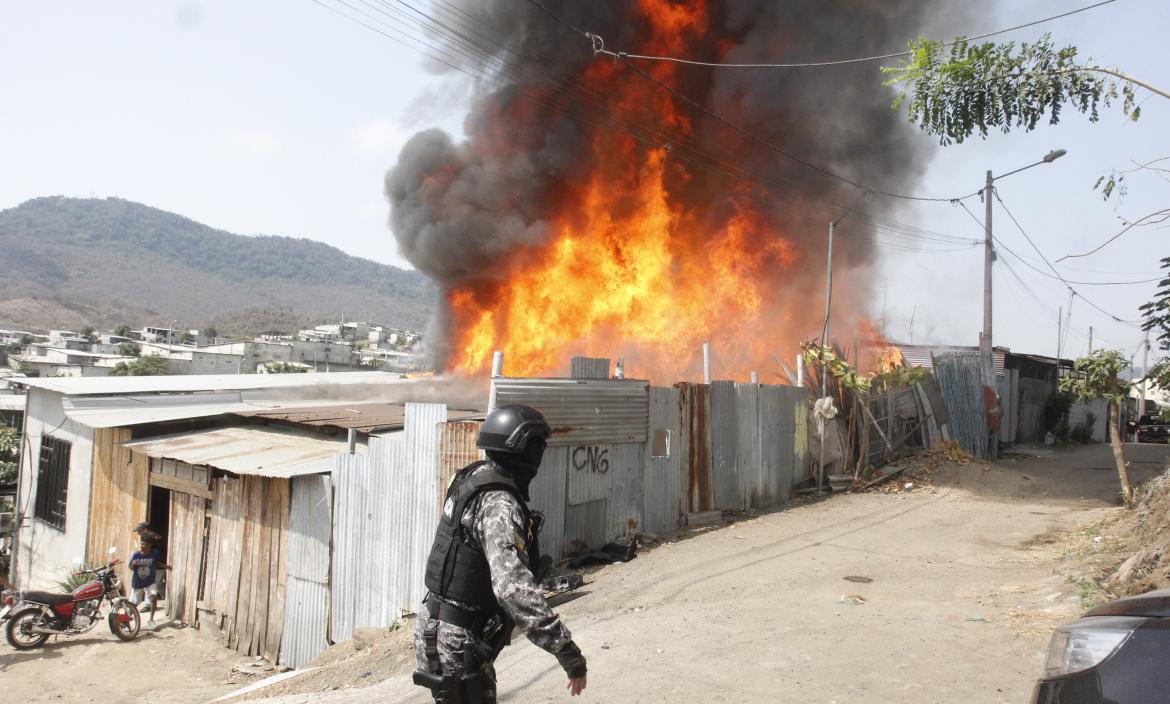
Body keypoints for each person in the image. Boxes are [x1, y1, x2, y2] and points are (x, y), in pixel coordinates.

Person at [414, 404, 588, 703]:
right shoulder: (499, 504)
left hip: (436, 625)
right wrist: (567, 652)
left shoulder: (473, 477)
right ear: (523, 449)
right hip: (458, 641)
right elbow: (513, 589)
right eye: (536, 447)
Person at [129, 537, 170, 626]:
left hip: (150, 582)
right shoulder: (136, 555)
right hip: (138, 583)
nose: (142, 547)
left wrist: (165, 566)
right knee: (134, 603)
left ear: (150, 546)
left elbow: (157, 563)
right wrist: (133, 564)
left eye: (145, 545)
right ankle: (127, 619)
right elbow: (131, 567)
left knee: (154, 598)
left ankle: (151, 620)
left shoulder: (154, 554)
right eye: (141, 545)